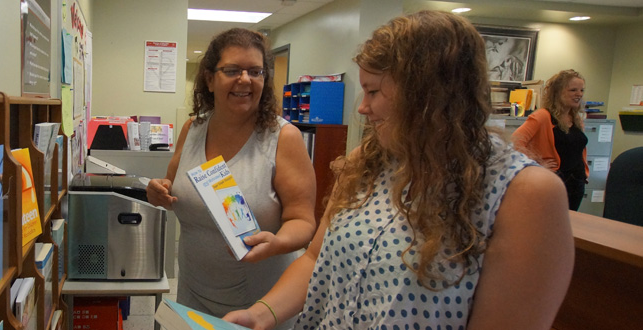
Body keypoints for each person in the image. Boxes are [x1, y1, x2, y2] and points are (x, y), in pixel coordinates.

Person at [223, 11, 573, 329]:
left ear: (429, 96)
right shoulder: (368, 162)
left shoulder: (522, 193)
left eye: (374, 91)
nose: (362, 108)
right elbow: (316, 258)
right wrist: (261, 313)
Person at [145, 28, 316, 328]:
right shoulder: (192, 130)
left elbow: (303, 221)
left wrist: (276, 242)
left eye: (255, 71)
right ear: (210, 79)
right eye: (233, 70)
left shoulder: (283, 138)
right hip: (193, 296)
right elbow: (172, 189)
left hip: (260, 306)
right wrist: (158, 190)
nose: (245, 80)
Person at [512, 69, 589, 211]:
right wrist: (536, 163)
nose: (579, 94)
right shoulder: (543, 116)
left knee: (572, 225)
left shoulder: (576, 119)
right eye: (573, 90)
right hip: (555, 181)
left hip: (576, 182)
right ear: (558, 92)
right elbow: (515, 142)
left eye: (581, 90)